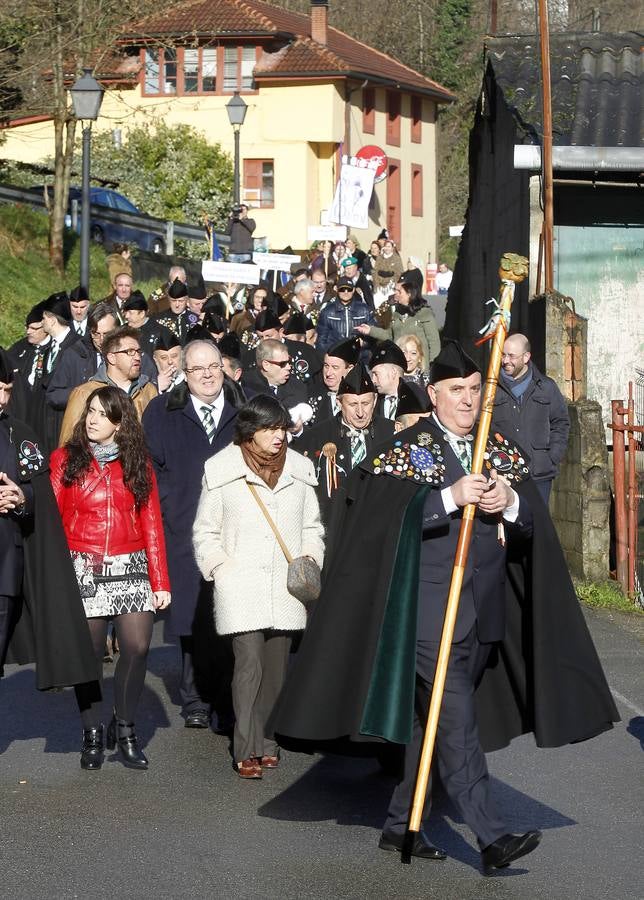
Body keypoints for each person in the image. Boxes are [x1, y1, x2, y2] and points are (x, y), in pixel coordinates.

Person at [269, 340, 618, 873]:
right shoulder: (406, 449)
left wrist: (512, 503)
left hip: (484, 613)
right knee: (455, 720)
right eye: (456, 390)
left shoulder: (497, 447)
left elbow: (532, 526)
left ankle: (398, 823)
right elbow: (377, 524)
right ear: (433, 394)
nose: (467, 400)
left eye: (476, 390)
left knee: (426, 720)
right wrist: (448, 498)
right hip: (425, 612)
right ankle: (491, 834)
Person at [193, 395, 324, 778]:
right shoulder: (221, 470)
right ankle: (245, 747)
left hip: (286, 584)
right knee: (248, 666)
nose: (278, 436)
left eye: (281, 427)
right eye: (269, 429)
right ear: (249, 433)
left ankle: (268, 740)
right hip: (240, 583)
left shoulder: (300, 470)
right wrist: (221, 568)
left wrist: (311, 558)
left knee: (277, 668)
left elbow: (312, 526)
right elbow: (206, 531)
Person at [50, 386, 171, 770]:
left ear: (120, 424)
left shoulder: (139, 463)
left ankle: (126, 730)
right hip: (82, 565)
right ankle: (91, 732)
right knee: (88, 655)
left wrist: (160, 581)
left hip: (130, 563)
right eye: (90, 411)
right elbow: (51, 518)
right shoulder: (65, 459)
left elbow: (152, 524)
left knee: (136, 647)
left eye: (102, 414)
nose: (92, 419)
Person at [143, 340, 237, 729]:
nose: (208, 375)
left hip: (234, 528)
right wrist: (167, 503)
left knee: (230, 612)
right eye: (198, 369)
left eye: (213, 366)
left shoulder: (242, 409)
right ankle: (195, 696)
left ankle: (228, 695)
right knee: (189, 612)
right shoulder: (163, 412)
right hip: (182, 524)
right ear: (184, 372)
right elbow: (148, 468)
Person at [0, 348, 98, 691]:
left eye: (7, 391)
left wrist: (22, 497)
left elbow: (38, 491)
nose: (3, 399)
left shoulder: (18, 434)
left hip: (4, 567)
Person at [296, 363, 393, 529]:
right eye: (353, 405)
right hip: (334, 526)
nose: (361, 412)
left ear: (375, 400)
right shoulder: (317, 436)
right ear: (339, 403)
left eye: (366, 403)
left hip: (380, 524)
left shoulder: (392, 433)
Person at [492, 333, 570, 503]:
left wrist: (552, 457)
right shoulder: (491, 388)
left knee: (537, 526)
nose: (505, 361)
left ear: (526, 357)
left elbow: (561, 423)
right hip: (504, 475)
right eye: (503, 355)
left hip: (539, 475)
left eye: (511, 356)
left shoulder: (546, 387)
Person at [58, 326, 157, 445]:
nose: (137, 357)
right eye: (130, 352)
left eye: (138, 352)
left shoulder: (148, 390)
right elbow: (67, 443)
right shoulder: (84, 393)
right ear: (112, 357)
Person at [355, 278, 440, 369]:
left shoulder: (424, 313)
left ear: (409, 294)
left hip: (419, 366)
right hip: (400, 364)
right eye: (395, 290)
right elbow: (389, 335)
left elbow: (434, 342)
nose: (395, 293)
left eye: (399, 291)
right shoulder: (397, 313)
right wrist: (370, 330)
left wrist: (433, 366)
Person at [306, 336, 360, 426]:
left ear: (350, 369)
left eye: (335, 367)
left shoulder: (361, 395)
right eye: (326, 366)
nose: (328, 373)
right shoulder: (311, 393)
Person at [241, 338, 308, 409]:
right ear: (266, 365)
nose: (288, 367)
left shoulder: (297, 388)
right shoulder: (245, 386)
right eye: (283, 364)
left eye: (289, 362)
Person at [315, 277, 375, 354]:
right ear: (336, 289)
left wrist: (364, 343)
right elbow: (321, 340)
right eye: (342, 289)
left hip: (359, 357)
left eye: (349, 289)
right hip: (335, 357)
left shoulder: (364, 310)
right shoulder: (327, 311)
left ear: (353, 290)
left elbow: (374, 335)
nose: (346, 292)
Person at [369, 340, 408, 420]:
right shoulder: (372, 402)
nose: (373, 380)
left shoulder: (413, 401)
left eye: (376, 374)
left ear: (393, 372)